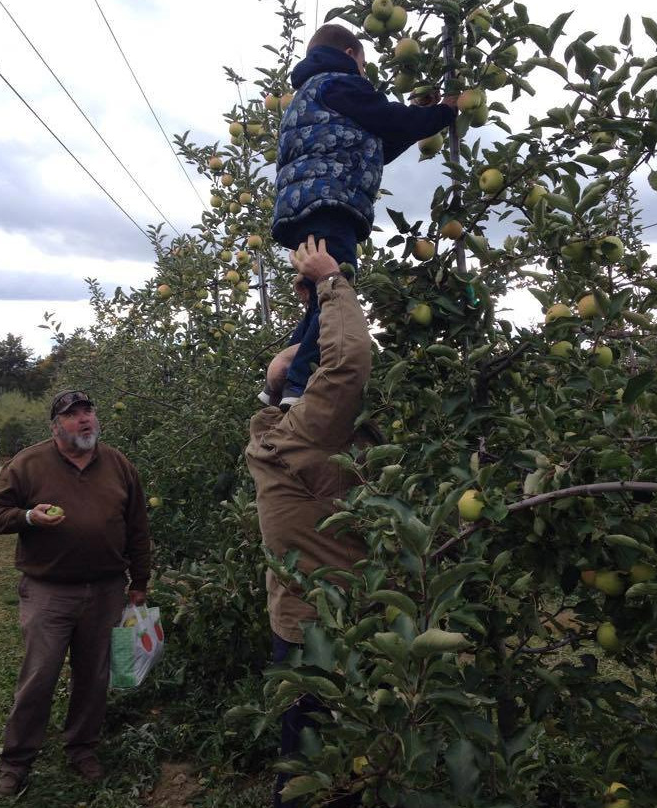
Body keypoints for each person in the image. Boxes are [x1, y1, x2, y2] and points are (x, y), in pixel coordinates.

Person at [264, 23, 457, 409]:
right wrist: (443, 113)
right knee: (338, 289)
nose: (366, 73)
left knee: (323, 301)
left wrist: (420, 116)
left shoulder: (310, 94)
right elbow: (389, 120)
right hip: (331, 205)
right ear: (351, 55)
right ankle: (301, 386)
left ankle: (281, 379)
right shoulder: (339, 82)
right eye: (365, 65)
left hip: (305, 207)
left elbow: (377, 143)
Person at [247, 237, 375, 807]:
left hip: (297, 624)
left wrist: (313, 305)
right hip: (329, 629)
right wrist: (329, 280)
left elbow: (313, 367)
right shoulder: (306, 435)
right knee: (326, 761)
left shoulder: (275, 437)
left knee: (306, 751)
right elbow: (345, 365)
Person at [0, 390, 152, 798]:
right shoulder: (28, 463)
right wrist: (27, 517)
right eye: (72, 415)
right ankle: (16, 761)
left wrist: (140, 582)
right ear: (55, 426)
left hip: (107, 588)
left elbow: (138, 527)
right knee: (39, 676)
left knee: (93, 676)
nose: (84, 419)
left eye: (88, 411)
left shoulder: (118, 464)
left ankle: (81, 748)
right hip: (49, 590)